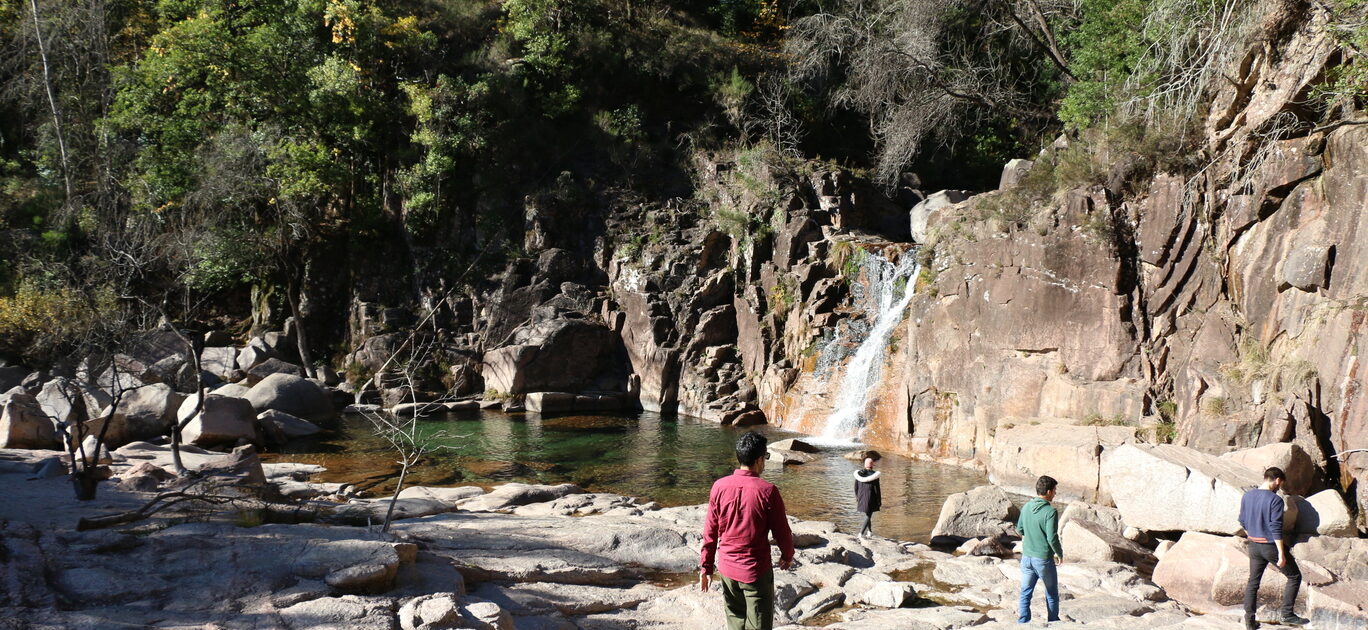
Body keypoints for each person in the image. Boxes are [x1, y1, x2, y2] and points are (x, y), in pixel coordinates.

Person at [700, 431, 795, 630]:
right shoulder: (768, 491)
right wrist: (787, 555)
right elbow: (782, 531)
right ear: (760, 460)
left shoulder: (719, 486)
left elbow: (710, 530)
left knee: (735, 622)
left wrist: (706, 567)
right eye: (766, 457)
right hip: (755, 572)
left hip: (726, 569)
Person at [1239, 467, 1308, 629]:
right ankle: (1287, 614)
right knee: (1294, 577)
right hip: (1269, 546)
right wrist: (1281, 553)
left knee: (1253, 582)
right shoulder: (1275, 500)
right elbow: (1275, 527)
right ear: (1277, 480)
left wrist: (1252, 535)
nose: (1279, 487)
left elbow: (1242, 520)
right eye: (1280, 484)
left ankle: (1250, 621)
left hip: (1254, 545)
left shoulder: (1247, 496)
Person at [1017, 475, 1063, 624]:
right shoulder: (1050, 512)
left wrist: (1031, 535)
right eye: (1055, 490)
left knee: (1025, 592)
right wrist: (1059, 553)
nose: (1055, 493)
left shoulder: (1026, 506)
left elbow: (1020, 529)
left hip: (1026, 558)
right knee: (1051, 593)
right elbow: (1052, 538)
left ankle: (1023, 622)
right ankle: (1054, 622)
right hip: (1043, 559)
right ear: (1049, 491)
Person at [853, 454, 882, 539]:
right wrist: (879, 500)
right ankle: (860, 534)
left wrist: (857, 497)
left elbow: (856, 487)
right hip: (871, 498)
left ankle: (869, 532)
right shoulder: (875, 475)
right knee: (868, 515)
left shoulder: (858, 474)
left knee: (867, 514)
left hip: (861, 497)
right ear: (872, 465)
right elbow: (877, 489)